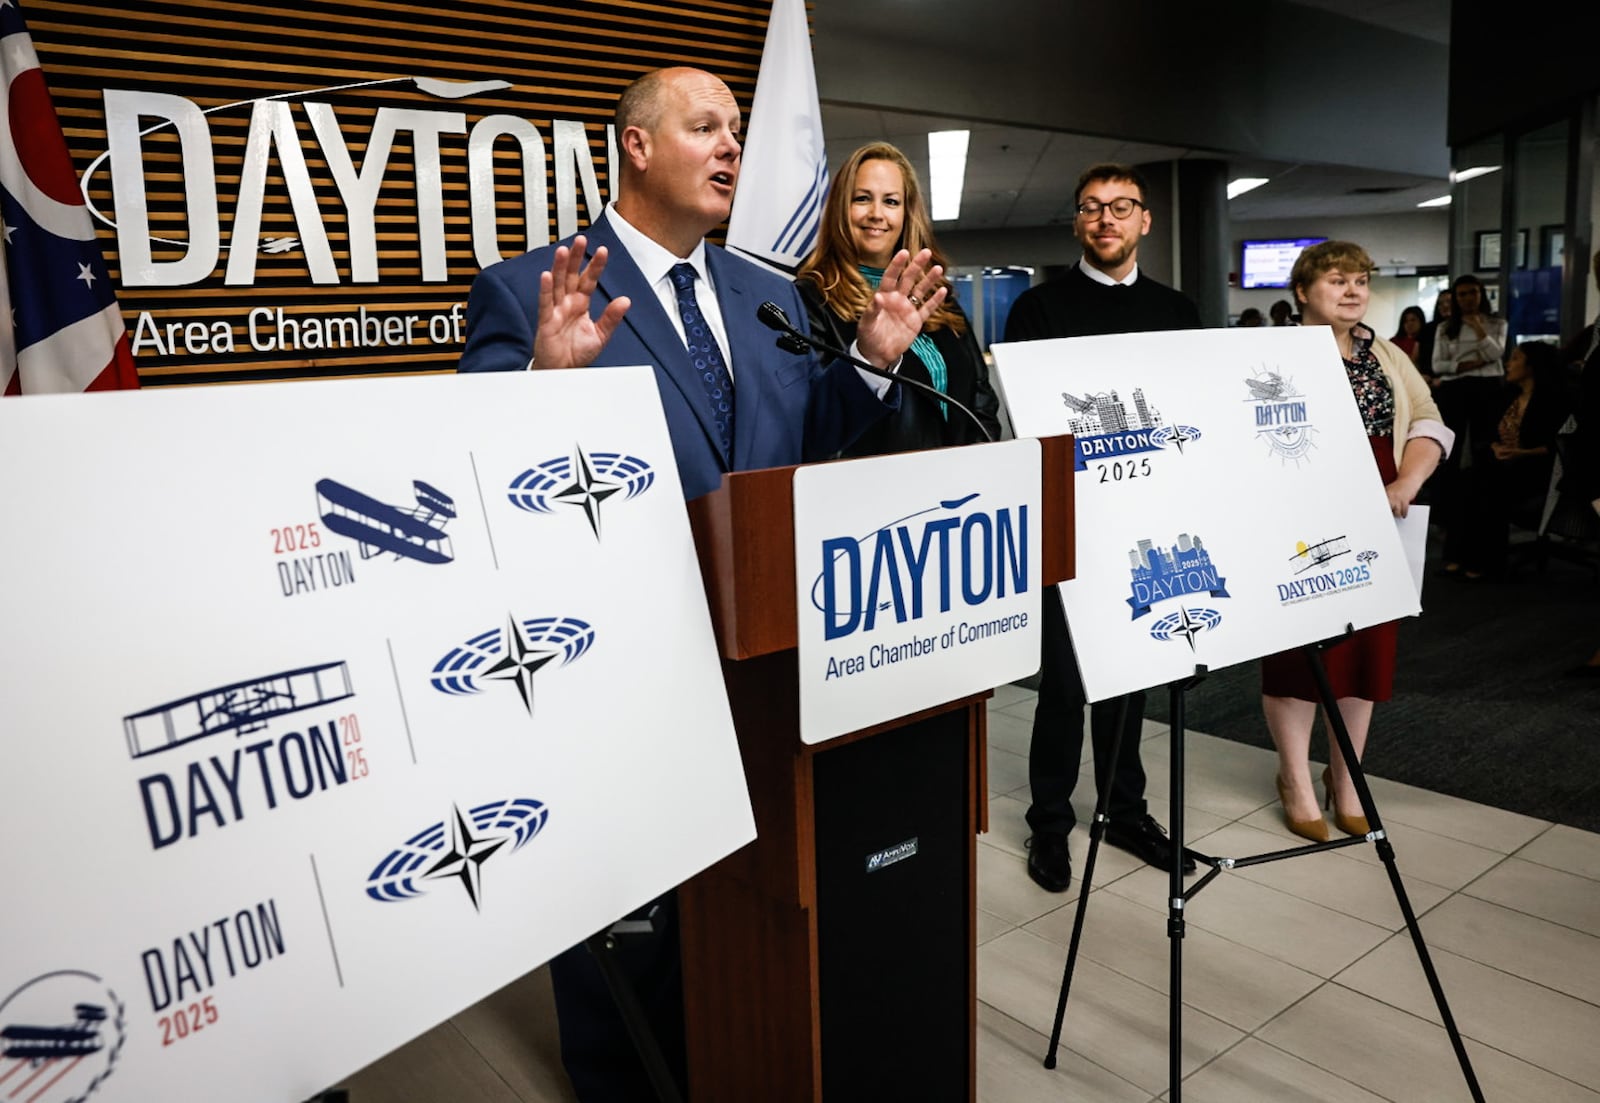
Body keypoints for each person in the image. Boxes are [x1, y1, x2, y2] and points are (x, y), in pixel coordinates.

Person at [458, 66, 945, 1100]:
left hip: (764, 664)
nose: (730, 145)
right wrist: (546, 389)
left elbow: (801, 446)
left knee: (747, 906)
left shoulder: (768, 293)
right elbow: (487, 487)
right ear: (635, 146)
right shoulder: (534, 289)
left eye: (736, 128)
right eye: (705, 127)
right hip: (617, 667)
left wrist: (866, 361)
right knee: (632, 933)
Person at [1004, 163, 1202, 893]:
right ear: (1078, 222)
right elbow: (1030, 419)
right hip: (1069, 519)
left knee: (1132, 675)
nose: (1106, 220)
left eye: (1121, 207)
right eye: (1091, 208)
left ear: (1145, 219)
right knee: (1063, 682)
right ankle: (1049, 823)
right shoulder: (1038, 308)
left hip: (1147, 520)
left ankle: (1123, 812)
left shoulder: (1179, 312)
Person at [1260, 241, 1452, 841]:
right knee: (1301, 649)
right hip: (1299, 510)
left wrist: (1407, 480)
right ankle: (1293, 777)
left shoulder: (1385, 352)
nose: (1353, 290)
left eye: (1361, 280)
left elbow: (1426, 416)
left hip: (1380, 503)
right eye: (1337, 280)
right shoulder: (1270, 354)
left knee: (1368, 647)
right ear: (1302, 292)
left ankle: (1346, 779)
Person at [796, 141, 1001, 454]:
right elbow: (813, 421)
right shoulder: (809, 298)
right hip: (879, 490)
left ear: (907, 213)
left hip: (965, 487)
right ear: (840, 208)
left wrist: (977, 461)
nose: (877, 214)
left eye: (891, 201)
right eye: (862, 199)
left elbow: (981, 395)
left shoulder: (937, 297)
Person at [1440, 341, 1571, 579]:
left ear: (1532, 366)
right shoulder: (1506, 396)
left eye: (1515, 359)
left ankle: (1486, 562)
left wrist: (1522, 453)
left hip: (1538, 470)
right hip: (1504, 464)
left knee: (1488, 485)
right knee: (1466, 479)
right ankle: (1458, 556)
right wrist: (1495, 446)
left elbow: (1559, 447)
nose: (1508, 364)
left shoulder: (1554, 401)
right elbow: (1488, 433)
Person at [1416, 288, 1452, 378]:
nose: (1445, 306)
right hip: (1427, 378)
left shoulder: (1464, 327)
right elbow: (1416, 358)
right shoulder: (1427, 329)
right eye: (1440, 303)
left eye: (1449, 302)